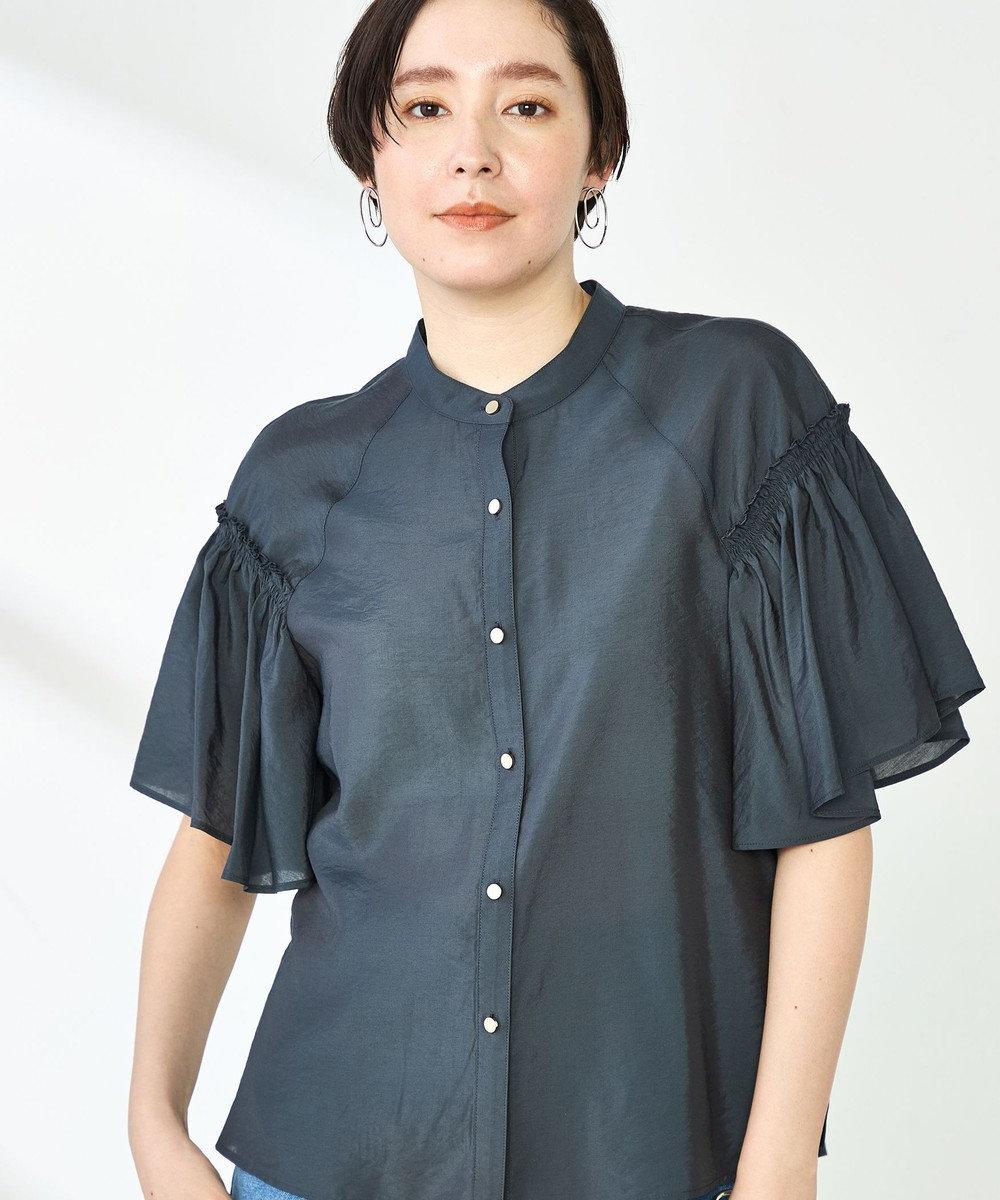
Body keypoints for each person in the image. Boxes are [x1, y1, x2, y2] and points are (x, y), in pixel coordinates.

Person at [125, 2, 986, 1199]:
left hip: (652, 1156)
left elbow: (824, 820)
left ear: (599, 152)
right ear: (370, 156)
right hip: (329, 1158)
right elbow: (216, 833)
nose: (471, 152)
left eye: (524, 104)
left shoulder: (736, 409)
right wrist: (155, 1127)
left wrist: (779, 1160)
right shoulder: (296, 480)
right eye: (425, 108)